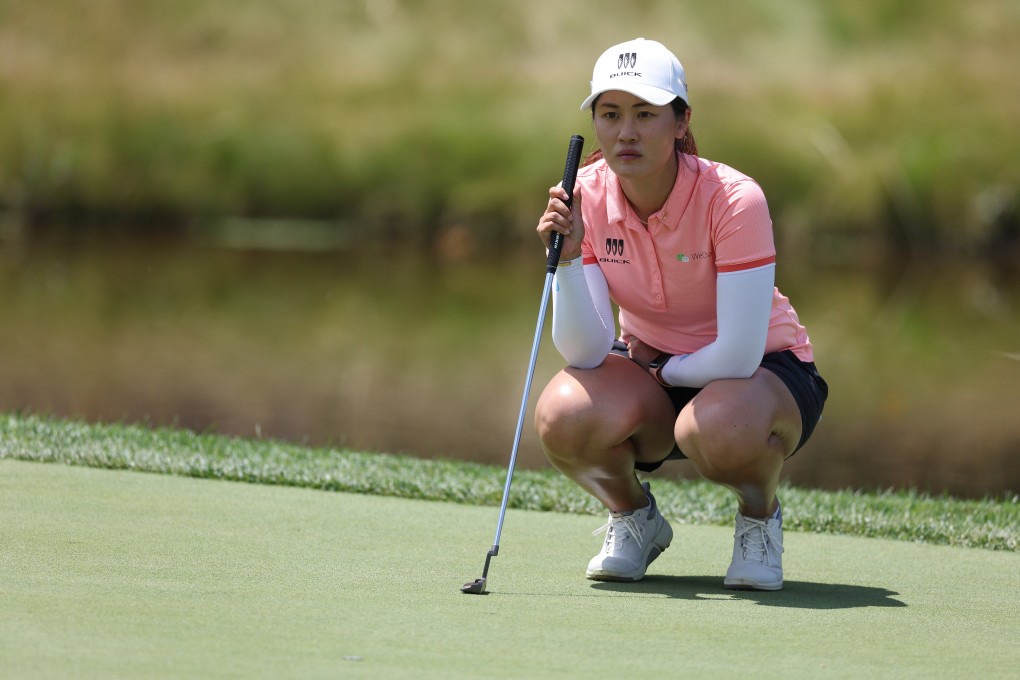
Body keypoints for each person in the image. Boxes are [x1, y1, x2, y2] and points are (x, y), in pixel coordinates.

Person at [534, 37, 828, 591]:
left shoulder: (734, 198)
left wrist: (661, 370)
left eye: (646, 114)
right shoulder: (585, 196)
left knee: (718, 425)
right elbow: (586, 351)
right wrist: (568, 261)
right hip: (653, 368)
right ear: (594, 122)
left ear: (681, 121)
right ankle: (634, 517)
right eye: (610, 114)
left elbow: (738, 354)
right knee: (564, 415)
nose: (626, 132)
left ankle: (759, 517)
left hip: (762, 374)